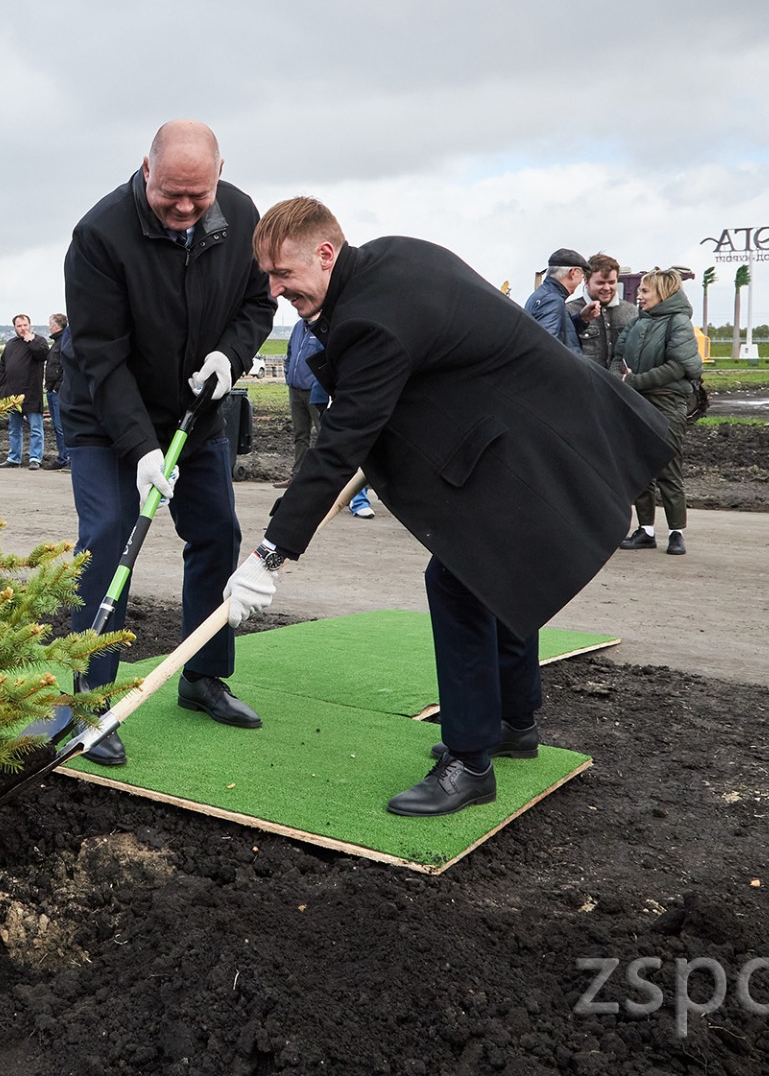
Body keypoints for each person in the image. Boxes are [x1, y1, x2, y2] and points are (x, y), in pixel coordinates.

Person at [223, 198, 670, 816]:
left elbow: (339, 445)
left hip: (527, 436)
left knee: (459, 580)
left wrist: (271, 553)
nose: (274, 290)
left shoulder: (371, 320)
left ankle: (470, 761)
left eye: (283, 275)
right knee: (497, 576)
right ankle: (515, 723)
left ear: (326, 254)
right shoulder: (392, 257)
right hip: (518, 423)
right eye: (267, 277)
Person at [58, 120, 275, 766]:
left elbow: (259, 303)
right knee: (110, 533)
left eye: (198, 196)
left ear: (220, 174)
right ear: (145, 169)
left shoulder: (240, 215)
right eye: (171, 194)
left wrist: (229, 357)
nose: (185, 209)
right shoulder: (99, 236)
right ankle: (92, 702)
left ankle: (203, 676)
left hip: (196, 408)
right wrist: (141, 448)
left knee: (216, 532)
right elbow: (101, 354)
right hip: (104, 415)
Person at [613, 268, 703, 556]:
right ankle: (646, 531)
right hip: (637, 401)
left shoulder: (678, 323)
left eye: (645, 291)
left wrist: (634, 381)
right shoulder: (638, 322)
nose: (639, 296)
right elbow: (618, 355)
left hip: (668, 403)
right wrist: (617, 380)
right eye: (640, 291)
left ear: (662, 293)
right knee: (639, 467)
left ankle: (676, 533)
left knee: (668, 467)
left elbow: (680, 367)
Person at [277, 318, 374, 516]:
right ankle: (299, 478)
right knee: (301, 436)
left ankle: (343, 491)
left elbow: (328, 359)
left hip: (320, 391)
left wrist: (321, 383)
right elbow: (290, 354)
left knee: (331, 441)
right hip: (302, 391)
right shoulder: (298, 328)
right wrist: (289, 376)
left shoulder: (325, 327)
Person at [0, 313, 49, 468]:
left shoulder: (39, 341)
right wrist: (3, 385)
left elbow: (42, 355)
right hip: (12, 394)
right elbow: (2, 367)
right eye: (19, 326)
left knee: (36, 429)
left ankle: (35, 458)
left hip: (32, 393)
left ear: (30, 325)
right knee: (14, 428)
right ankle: (14, 458)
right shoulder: (10, 344)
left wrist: (30, 341)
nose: (22, 328)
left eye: (25, 325)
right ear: (14, 328)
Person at [569, 253, 637, 369]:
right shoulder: (569, 311)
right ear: (586, 281)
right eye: (600, 283)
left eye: (611, 282)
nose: (606, 288)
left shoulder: (632, 312)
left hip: (621, 385)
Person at [522, 248, 591, 354]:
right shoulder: (552, 301)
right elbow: (546, 347)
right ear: (573, 273)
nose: (580, 282)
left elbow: (561, 333)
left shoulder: (543, 295)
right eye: (581, 275)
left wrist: (581, 319)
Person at [42, 312, 68, 469]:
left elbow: (64, 367)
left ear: (56, 326)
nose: (49, 328)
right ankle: (63, 456)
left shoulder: (63, 341)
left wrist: (57, 387)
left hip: (58, 391)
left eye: (50, 325)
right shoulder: (58, 342)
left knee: (61, 427)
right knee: (58, 426)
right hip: (52, 389)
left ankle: (65, 458)